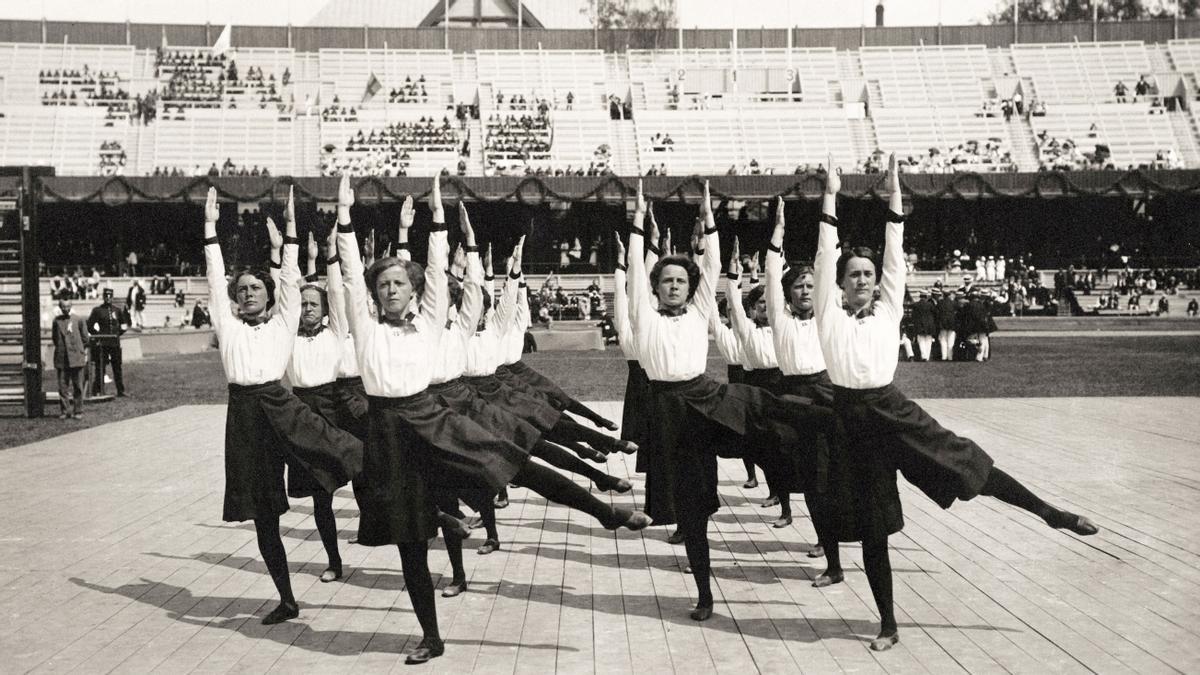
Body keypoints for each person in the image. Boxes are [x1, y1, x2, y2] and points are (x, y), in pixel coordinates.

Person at [335, 177, 650, 664]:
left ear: (414, 291)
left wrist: (435, 221)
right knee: (410, 544)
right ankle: (431, 635)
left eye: (399, 283)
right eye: (384, 285)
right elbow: (351, 271)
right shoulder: (365, 325)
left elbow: (438, 272)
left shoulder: (430, 321)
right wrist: (344, 214)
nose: (390, 289)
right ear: (375, 294)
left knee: (514, 463)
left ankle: (606, 513)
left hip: (428, 415)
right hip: (386, 430)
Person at [813, 154, 1097, 652]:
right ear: (838, 283)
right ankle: (888, 624)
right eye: (852, 274)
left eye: (867, 273)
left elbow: (895, 252)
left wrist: (897, 192)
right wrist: (831, 195)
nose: (862, 279)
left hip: (892, 411)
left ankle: (1049, 512)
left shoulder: (888, 310)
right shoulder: (828, 315)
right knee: (874, 528)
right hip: (848, 421)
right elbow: (822, 254)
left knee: (966, 464)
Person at [626, 180, 832, 622]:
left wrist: (709, 219)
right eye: (668, 281)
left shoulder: (701, 309)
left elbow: (714, 264)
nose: (676, 286)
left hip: (705, 397)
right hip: (668, 411)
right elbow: (632, 271)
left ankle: (831, 421)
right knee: (693, 506)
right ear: (656, 287)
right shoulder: (643, 312)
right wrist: (639, 222)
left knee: (766, 409)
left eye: (682, 280)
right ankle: (704, 594)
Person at [201, 187, 362, 627]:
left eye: (256, 288)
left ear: (270, 297)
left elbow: (291, 277)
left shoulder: (283, 323)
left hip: (281, 404)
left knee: (349, 456)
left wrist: (291, 230)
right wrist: (210, 229)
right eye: (242, 290)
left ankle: (435, 511)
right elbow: (216, 280)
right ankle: (287, 599)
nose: (248, 293)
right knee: (264, 516)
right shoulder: (229, 327)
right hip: (245, 418)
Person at [87, 288, 130, 397]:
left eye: (110, 296)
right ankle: (98, 389)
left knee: (117, 367)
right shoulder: (98, 310)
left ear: (112, 297)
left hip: (115, 344)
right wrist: (98, 335)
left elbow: (124, 325)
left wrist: (117, 334)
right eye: (106, 296)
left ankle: (120, 390)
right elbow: (89, 326)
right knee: (100, 367)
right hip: (103, 344)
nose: (108, 298)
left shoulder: (117, 310)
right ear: (103, 297)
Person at [51, 297, 89, 419]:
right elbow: (55, 339)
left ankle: (78, 410)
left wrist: (79, 351)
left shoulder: (78, 320)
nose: (66, 309)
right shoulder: (56, 321)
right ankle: (65, 410)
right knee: (63, 387)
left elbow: (85, 339)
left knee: (78, 386)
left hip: (76, 358)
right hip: (62, 358)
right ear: (60, 307)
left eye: (68, 306)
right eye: (63, 307)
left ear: (71, 306)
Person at [910, 289, 937, 361]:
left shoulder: (916, 305)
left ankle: (924, 356)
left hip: (919, 325)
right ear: (926, 296)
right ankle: (927, 356)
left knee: (921, 341)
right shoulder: (930, 305)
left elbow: (913, 316)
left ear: (920, 296)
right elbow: (935, 314)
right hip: (929, 325)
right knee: (928, 341)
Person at [934, 287, 957, 360]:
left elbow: (937, 313)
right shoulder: (953, 303)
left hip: (942, 323)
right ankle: (950, 356)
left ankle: (944, 356)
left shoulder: (940, 303)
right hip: (952, 323)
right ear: (949, 294)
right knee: (951, 340)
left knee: (943, 340)